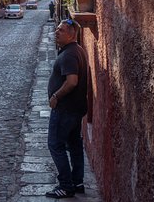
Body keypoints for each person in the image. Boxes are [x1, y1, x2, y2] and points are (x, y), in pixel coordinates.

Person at [45, 18, 88, 199]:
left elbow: (72, 82)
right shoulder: (77, 50)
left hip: (65, 109)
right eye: (57, 29)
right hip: (76, 109)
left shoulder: (69, 55)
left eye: (61, 30)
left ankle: (65, 185)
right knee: (75, 145)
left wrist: (56, 96)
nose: (57, 32)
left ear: (71, 34)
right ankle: (77, 182)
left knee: (55, 145)